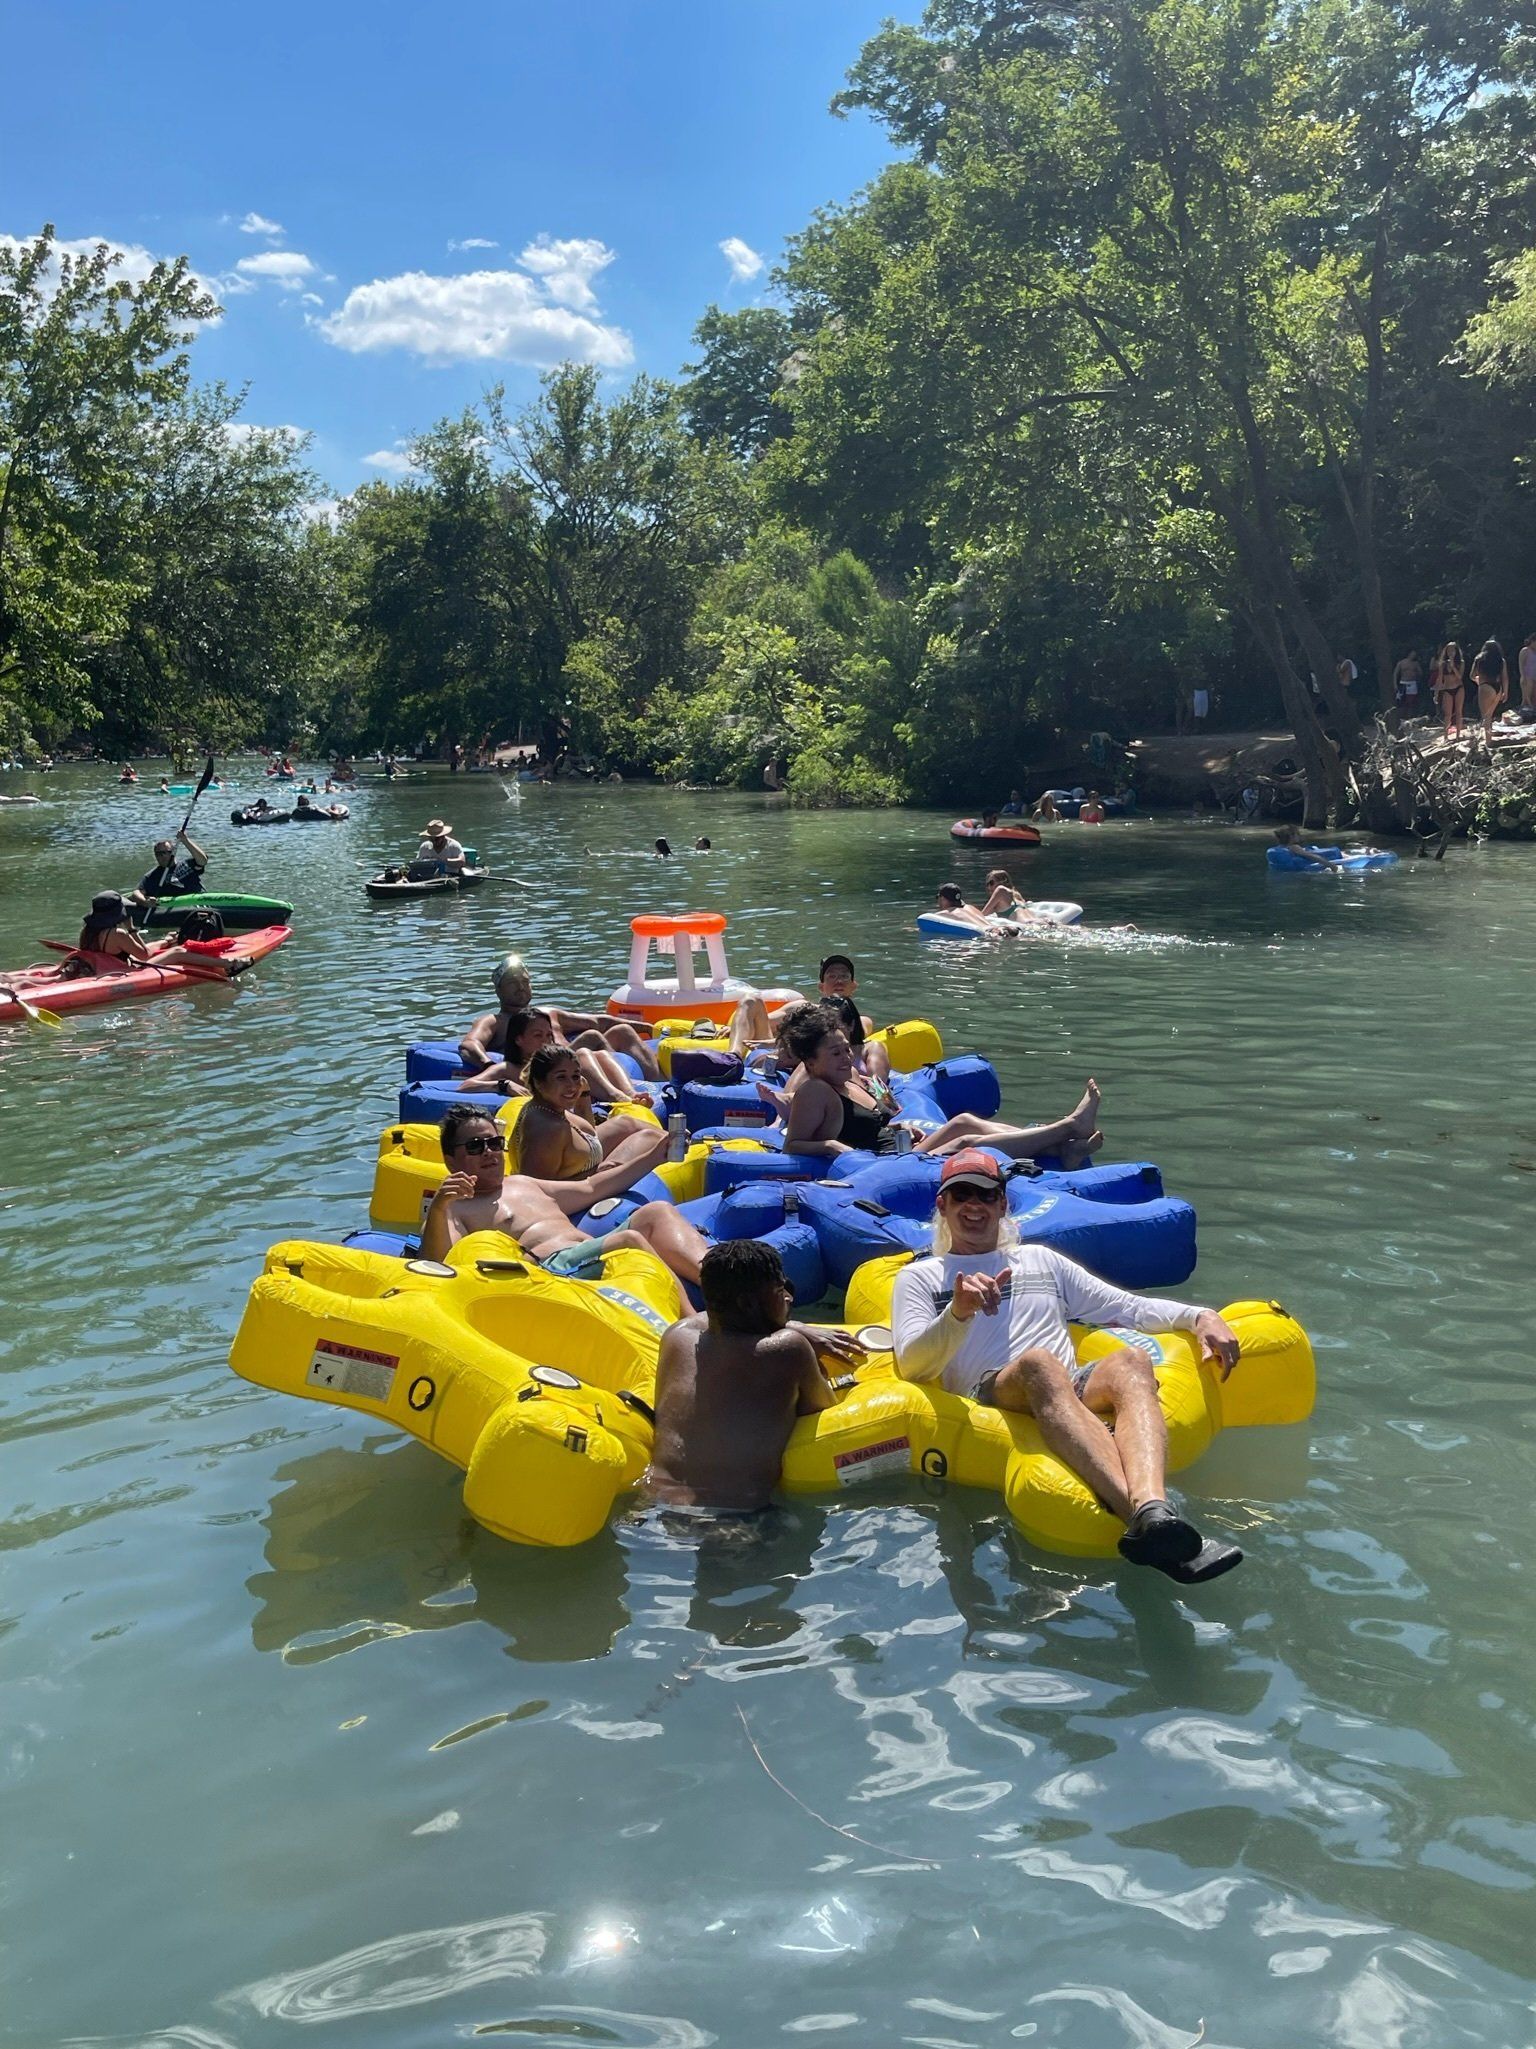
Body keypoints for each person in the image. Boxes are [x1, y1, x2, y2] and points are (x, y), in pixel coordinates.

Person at [891, 1150, 1243, 1582]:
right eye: (961, 1194)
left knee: (1131, 1360)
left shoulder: (1041, 1261)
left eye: (986, 1195)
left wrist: (1200, 1316)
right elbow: (912, 1365)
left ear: (1003, 1204)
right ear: (942, 1206)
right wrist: (958, 1313)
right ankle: (1138, 1518)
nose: (974, 1205)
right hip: (989, 1393)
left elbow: (1127, 1307)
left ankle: (1155, 1510)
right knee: (1038, 1363)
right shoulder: (922, 1277)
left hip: (1064, 1386)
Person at [645, 1241, 838, 1514]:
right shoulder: (788, 1349)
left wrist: (790, 1323)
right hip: (736, 1520)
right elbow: (824, 1407)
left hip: (655, 1504)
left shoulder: (677, 1336)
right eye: (780, 1290)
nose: (789, 1298)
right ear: (746, 1303)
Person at [420, 1107, 709, 1282]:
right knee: (628, 1240)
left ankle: (714, 1282)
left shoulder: (523, 1183)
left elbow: (593, 1188)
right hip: (552, 1272)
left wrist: (655, 1156)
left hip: (590, 1250)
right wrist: (439, 1208)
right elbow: (440, 1264)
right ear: (451, 1160)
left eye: (494, 1143)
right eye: (475, 1146)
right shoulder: (455, 1208)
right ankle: (693, 1321)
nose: (488, 1152)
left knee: (656, 1212)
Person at [460, 956, 662, 1081]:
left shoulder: (548, 1013)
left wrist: (649, 1027)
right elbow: (469, 1044)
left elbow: (599, 1021)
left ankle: (659, 1084)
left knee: (622, 1031)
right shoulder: (495, 1021)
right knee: (591, 1037)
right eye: (512, 982)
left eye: (525, 981)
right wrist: (487, 1064)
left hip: (574, 1059)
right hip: (546, 1070)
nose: (520, 987)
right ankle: (624, 1085)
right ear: (498, 990)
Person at [515, 1044, 670, 1183]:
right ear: (539, 1082)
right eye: (561, 1077)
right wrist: (594, 1175)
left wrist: (583, 1094)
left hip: (584, 1162)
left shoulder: (548, 1107)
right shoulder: (546, 1129)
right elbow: (536, 1189)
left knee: (625, 1123)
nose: (572, 1086)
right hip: (588, 1187)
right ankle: (678, 1148)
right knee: (648, 1138)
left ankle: (677, 1141)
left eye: (575, 1076)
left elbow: (588, 1129)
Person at [781, 1009, 908, 1157]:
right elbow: (791, 1146)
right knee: (937, 1138)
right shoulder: (815, 1091)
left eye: (847, 1049)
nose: (847, 1058)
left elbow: (866, 1130)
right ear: (810, 1062)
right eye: (836, 1053)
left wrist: (897, 1127)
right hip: (875, 1164)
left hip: (899, 1153)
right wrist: (829, 1145)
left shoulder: (851, 1076)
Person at [911, 1078, 1103, 1171]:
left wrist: (900, 1128)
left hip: (903, 1152)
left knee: (963, 1121)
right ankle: (1068, 1127)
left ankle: (1062, 1148)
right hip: (897, 1164)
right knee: (965, 1143)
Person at [460, 1007, 636, 1104]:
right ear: (519, 1040)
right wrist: (504, 1085)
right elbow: (466, 1086)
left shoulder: (556, 1065)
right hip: (554, 1114)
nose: (546, 1041)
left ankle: (631, 1094)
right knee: (581, 1053)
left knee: (601, 1054)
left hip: (584, 1104)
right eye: (538, 1036)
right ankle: (618, 1098)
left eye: (548, 1035)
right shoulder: (508, 1069)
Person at [69, 891, 237, 976]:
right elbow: (144, 955)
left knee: (159, 945)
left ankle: (167, 941)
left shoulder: (87, 930)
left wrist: (164, 942)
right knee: (178, 952)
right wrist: (132, 929)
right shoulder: (117, 934)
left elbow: (136, 950)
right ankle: (228, 964)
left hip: (104, 968)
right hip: (123, 972)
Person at [131, 827, 208, 907]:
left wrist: (185, 840)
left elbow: (203, 861)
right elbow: (136, 893)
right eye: (158, 854)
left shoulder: (188, 865)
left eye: (164, 852)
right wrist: (145, 902)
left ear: (173, 852)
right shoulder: (152, 876)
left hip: (196, 904)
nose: (161, 856)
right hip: (175, 909)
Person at [931, 883, 1021, 936]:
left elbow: (928, 920)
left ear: (943, 899)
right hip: (1001, 929)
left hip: (990, 935)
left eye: (938, 898)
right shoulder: (971, 908)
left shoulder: (946, 913)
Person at [1471, 638, 1510, 753]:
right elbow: (1505, 678)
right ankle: (1489, 737)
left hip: (1485, 687)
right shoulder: (1501, 661)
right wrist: (1505, 692)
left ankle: (1488, 741)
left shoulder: (1479, 659)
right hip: (1497, 688)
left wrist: (1478, 680)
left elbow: (1472, 675)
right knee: (1490, 714)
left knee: (1485, 716)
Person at [1433, 641, 1464, 740]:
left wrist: (1453, 666)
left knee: (1459, 712)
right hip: (1447, 689)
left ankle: (1458, 735)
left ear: (1456, 651)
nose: (1451, 652)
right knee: (1447, 714)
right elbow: (1439, 679)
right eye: (1449, 650)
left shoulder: (1461, 662)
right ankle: (1446, 736)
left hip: (1458, 688)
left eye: (1452, 650)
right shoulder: (1442, 664)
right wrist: (1436, 693)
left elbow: (1459, 677)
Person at [1392, 650, 1422, 720]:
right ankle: (1401, 718)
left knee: (1411, 701)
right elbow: (1395, 674)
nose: (1414, 655)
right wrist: (1395, 684)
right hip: (1403, 683)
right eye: (1413, 653)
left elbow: (1420, 673)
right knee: (1402, 702)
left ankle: (1410, 717)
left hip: (1413, 683)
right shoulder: (1401, 663)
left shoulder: (1415, 664)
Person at [1520, 634, 1536, 715]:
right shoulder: (1525, 650)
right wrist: (1523, 676)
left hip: (1534, 677)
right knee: (1526, 698)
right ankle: (1523, 714)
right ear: (1532, 641)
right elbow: (1521, 664)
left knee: (1534, 698)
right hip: (1527, 677)